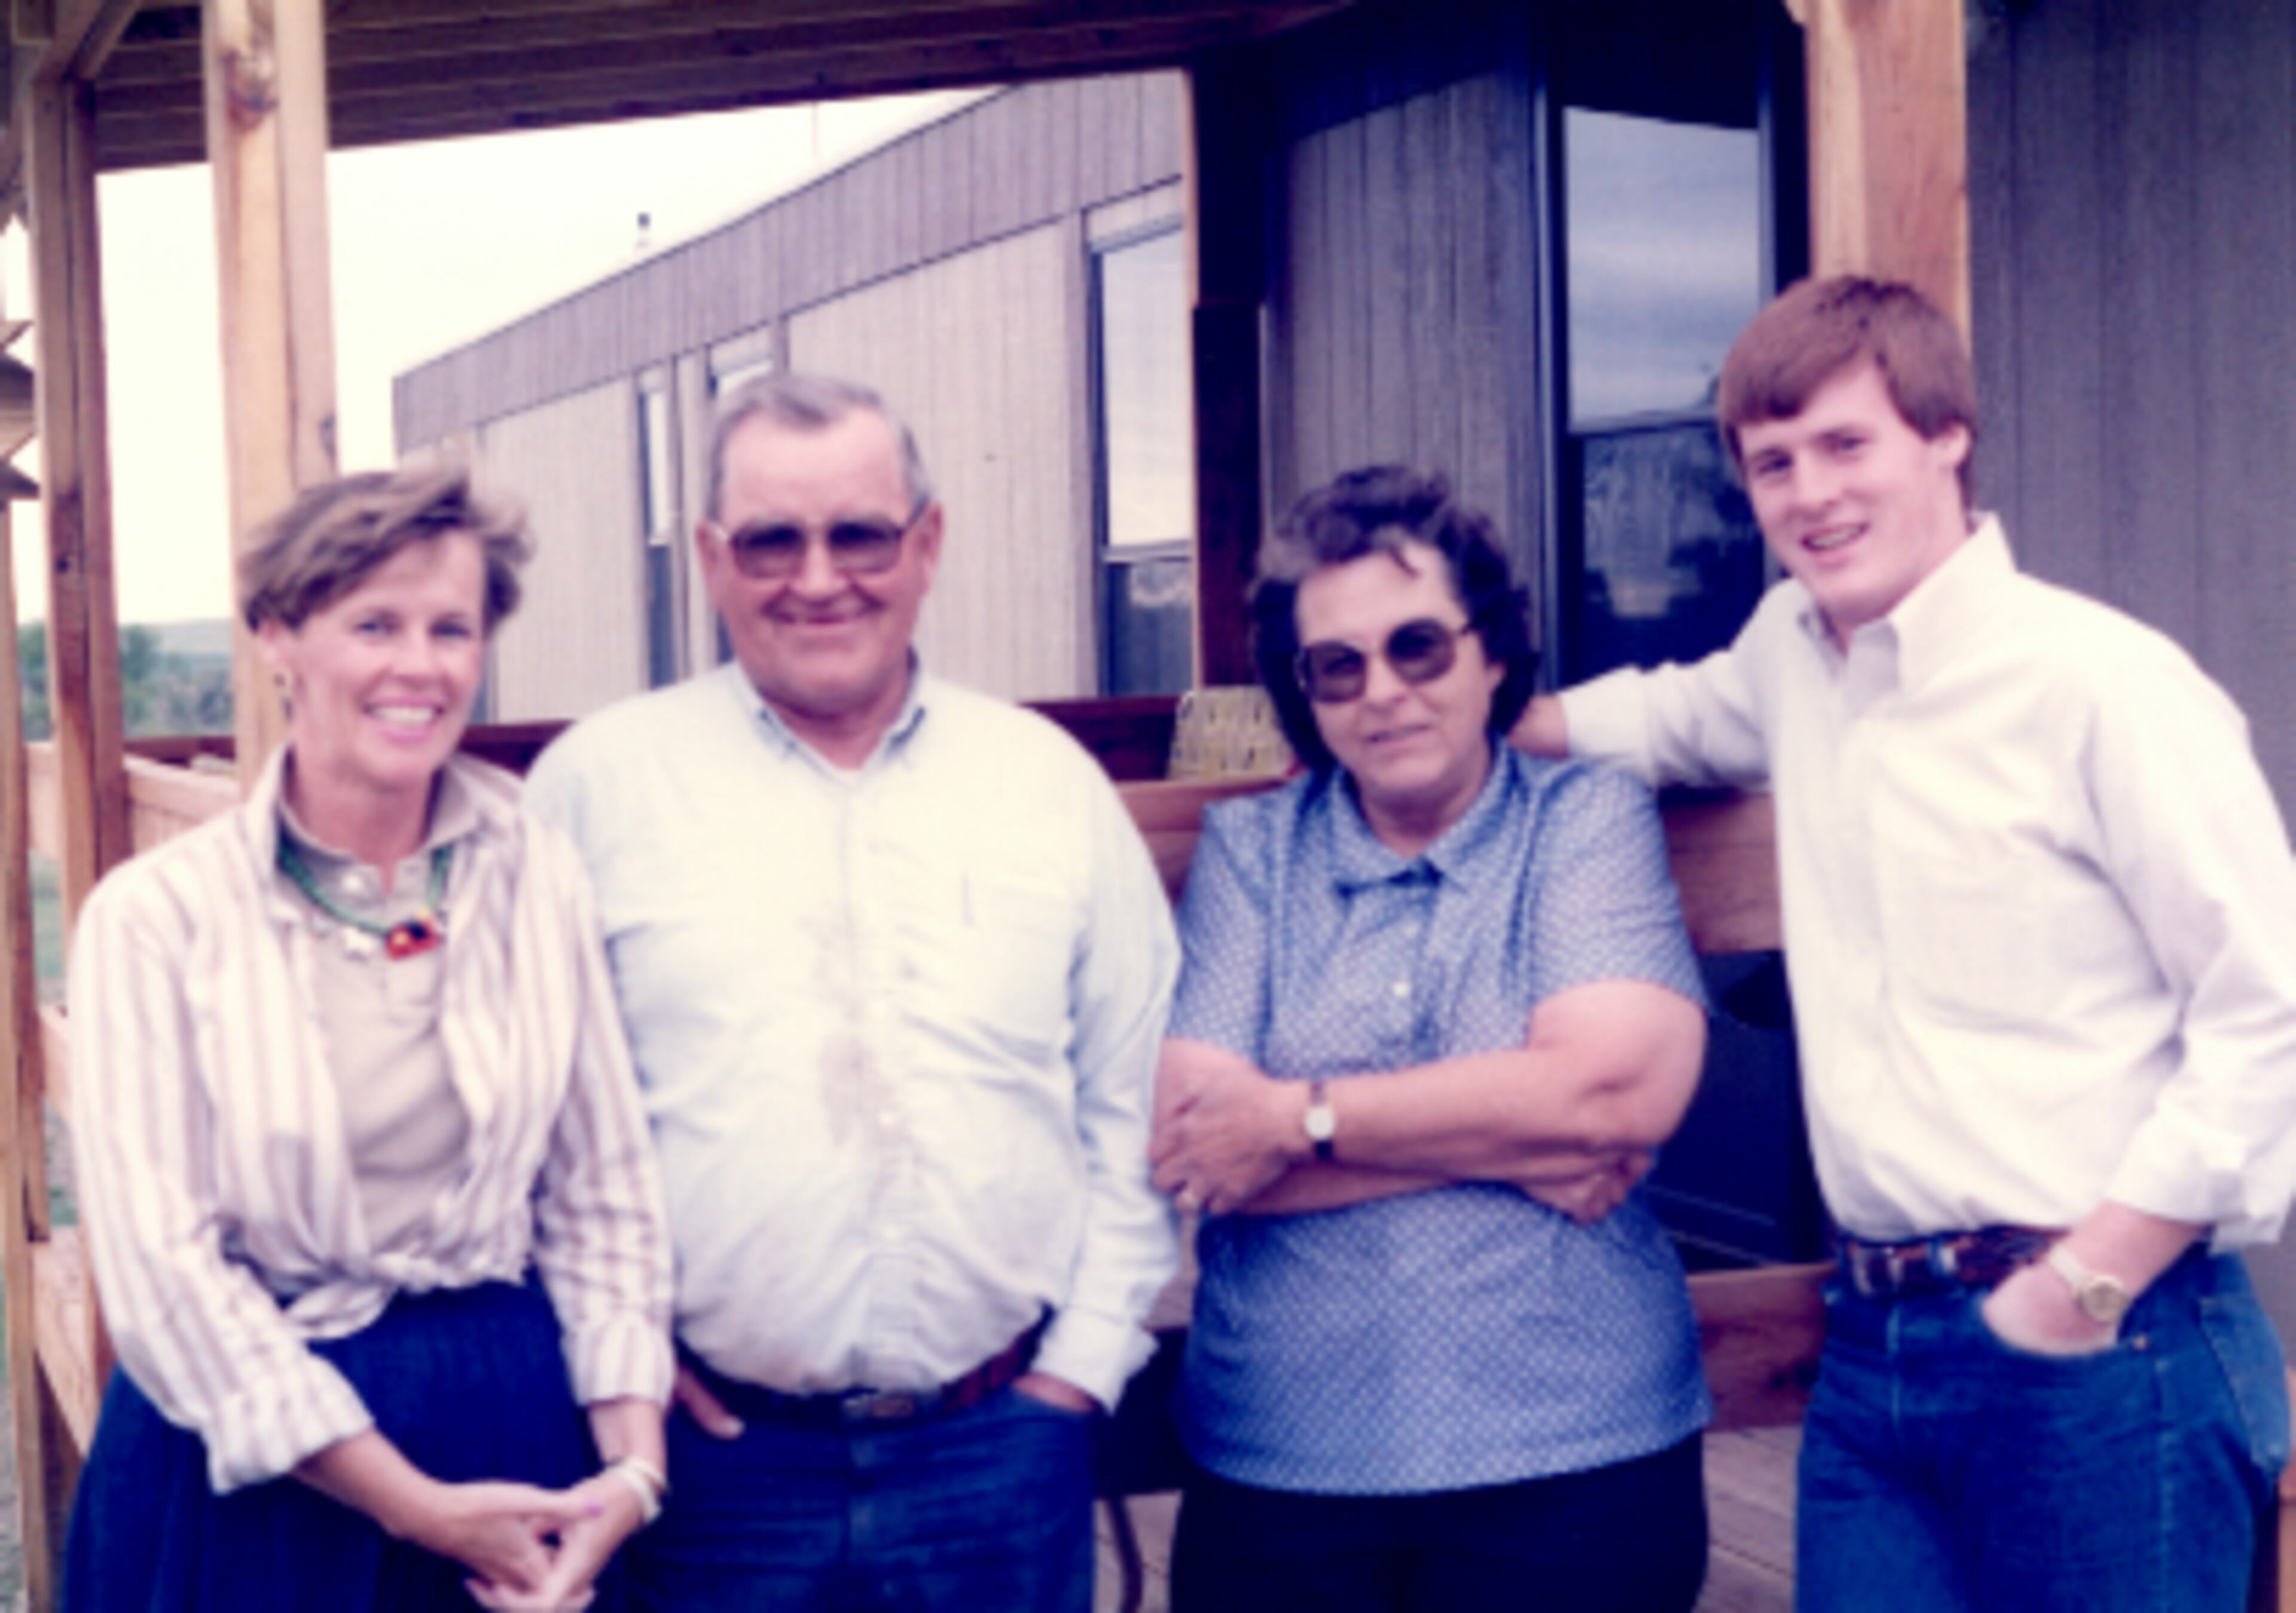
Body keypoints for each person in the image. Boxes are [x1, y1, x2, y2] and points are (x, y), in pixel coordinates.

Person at [1515, 275, 2296, 1611]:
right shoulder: (1792, 653)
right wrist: (1443, 718)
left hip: (2109, 1345)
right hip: (1872, 1349)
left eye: (1845, 444)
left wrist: (2082, 1287)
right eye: (1772, 462)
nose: (1809, 492)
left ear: (1946, 436)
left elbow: (2270, 1006)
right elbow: (1659, 719)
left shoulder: (2103, 683)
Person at [524, 371, 1180, 1612]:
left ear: (926, 542)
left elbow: (1133, 1100)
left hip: (998, 1451)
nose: (818, 577)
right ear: (714, 559)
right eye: (773, 538)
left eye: (860, 534)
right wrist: (618, 1359)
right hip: (707, 1469)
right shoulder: (596, 791)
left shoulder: (1046, 786)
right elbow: (529, 1125)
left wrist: (1080, 1370)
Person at [64, 462, 675, 1613]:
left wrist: (629, 1475)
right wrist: (413, 1505)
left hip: (511, 1432)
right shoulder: (157, 920)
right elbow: (166, 1278)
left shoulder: (534, 869)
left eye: (452, 627)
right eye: (374, 623)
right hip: (255, 1475)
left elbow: (605, 1194)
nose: (419, 664)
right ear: (277, 635)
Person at [1149, 466, 1713, 1612]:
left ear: (1492, 652)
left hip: (1579, 1452)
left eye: (1420, 646)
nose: (1384, 692)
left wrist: (1298, 1119)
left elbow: (1614, 1096)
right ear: (1300, 690)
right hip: (1280, 1462)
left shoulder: (1583, 820)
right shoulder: (1253, 853)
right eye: (1337, 666)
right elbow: (1202, 1146)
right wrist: (1518, 1137)